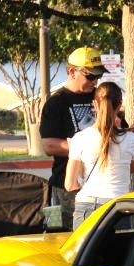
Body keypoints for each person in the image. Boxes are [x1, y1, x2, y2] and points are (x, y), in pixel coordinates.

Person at [40, 47, 107, 230]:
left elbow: (116, 131)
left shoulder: (101, 97)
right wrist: (90, 147)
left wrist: (128, 133)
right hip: (63, 189)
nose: (95, 81)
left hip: (99, 187)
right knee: (57, 235)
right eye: (90, 76)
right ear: (71, 72)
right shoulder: (55, 103)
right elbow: (49, 146)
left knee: (96, 238)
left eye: (98, 76)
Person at [64, 82, 134, 228]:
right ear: (120, 104)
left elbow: (69, 184)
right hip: (118, 207)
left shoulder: (80, 138)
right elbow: (132, 169)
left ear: (94, 104)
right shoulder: (132, 139)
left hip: (86, 206)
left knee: (84, 244)